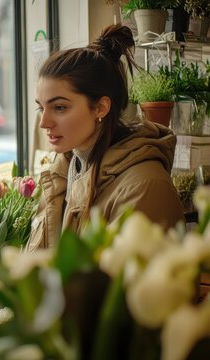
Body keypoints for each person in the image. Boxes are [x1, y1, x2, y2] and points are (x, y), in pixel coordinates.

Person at [28, 24, 184, 250]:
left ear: (100, 108)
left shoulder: (145, 187)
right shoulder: (62, 174)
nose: (44, 122)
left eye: (60, 107)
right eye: (41, 108)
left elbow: (125, 283)